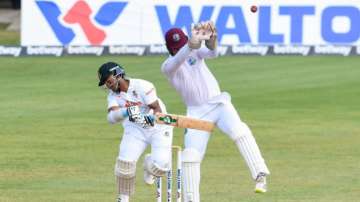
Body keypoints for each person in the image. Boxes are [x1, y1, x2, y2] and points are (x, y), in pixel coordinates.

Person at [161, 21, 270, 202]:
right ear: (169, 49)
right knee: (190, 157)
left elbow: (212, 52)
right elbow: (180, 57)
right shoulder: (168, 66)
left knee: (239, 131)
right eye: (175, 47)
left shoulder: (195, 51)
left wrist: (212, 38)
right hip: (196, 113)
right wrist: (190, 44)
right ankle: (190, 199)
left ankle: (260, 175)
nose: (178, 49)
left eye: (182, 44)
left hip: (218, 103)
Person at [97, 62, 173, 202]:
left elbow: (157, 110)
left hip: (159, 127)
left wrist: (150, 119)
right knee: (124, 166)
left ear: (118, 75)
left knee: (161, 166)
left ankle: (148, 164)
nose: (108, 85)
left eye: (109, 81)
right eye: (105, 83)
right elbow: (112, 118)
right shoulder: (113, 96)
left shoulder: (143, 86)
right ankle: (122, 199)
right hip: (135, 129)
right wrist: (127, 111)